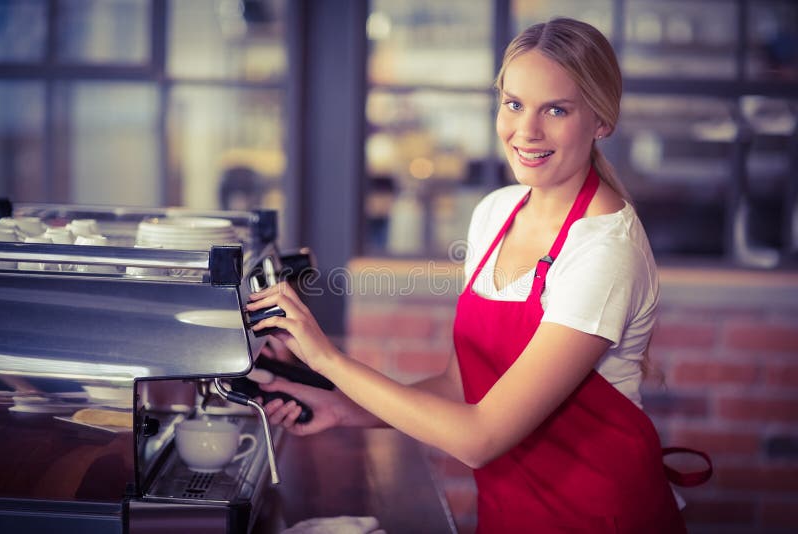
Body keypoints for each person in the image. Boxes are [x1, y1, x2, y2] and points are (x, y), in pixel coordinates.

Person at [247, 17, 687, 533]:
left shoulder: (604, 252)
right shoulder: (496, 214)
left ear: (601, 121)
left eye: (557, 109)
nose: (527, 131)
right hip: (508, 514)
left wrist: (325, 357)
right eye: (515, 104)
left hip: (601, 519)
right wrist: (346, 409)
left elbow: (479, 438)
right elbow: (461, 386)